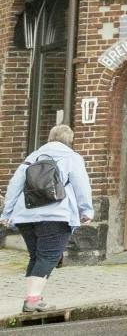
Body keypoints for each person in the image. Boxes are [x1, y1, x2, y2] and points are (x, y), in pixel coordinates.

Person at [2, 124, 94, 316]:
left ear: (50, 138)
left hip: (26, 215)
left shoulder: (32, 157)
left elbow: (14, 186)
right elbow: (81, 186)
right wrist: (87, 210)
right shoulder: (72, 158)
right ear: (70, 140)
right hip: (56, 216)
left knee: (36, 257)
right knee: (48, 257)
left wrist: (7, 214)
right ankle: (32, 300)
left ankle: (33, 297)